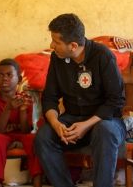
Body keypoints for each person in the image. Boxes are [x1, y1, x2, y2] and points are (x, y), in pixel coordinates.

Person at [34, 13, 126, 187]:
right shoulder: (57, 58)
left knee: (105, 131)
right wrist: (56, 124)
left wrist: (86, 125)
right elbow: (49, 97)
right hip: (73, 120)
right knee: (44, 137)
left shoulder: (102, 56)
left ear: (73, 45)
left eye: (56, 42)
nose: (52, 45)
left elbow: (116, 101)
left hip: (106, 121)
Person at [0, 58, 43, 187]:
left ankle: (37, 180)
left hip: (20, 136)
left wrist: (22, 111)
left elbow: (25, 131)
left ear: (19, 80)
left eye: (9, 75)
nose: (4, 78)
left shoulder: (26, 99)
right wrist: (8, 108)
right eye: (1, 75)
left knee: (35, 139)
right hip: (0, 136)